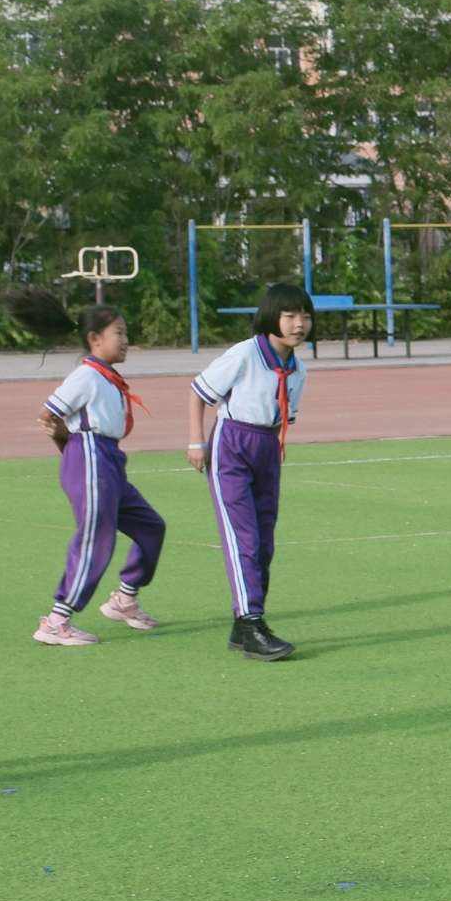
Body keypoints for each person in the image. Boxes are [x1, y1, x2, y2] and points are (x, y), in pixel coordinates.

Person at [191, 281, 311, 661]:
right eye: (290, 315)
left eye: (305, 316)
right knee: (242, 536)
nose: (298, 324)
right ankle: (252, 620)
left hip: (267, 448)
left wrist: (277, 447)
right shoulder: (244, 354)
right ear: (271, 316)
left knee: (264, 540)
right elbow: (199, 393)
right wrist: (197, 442)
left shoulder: (297, 369)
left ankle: (242, 626)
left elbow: (284, 415)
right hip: (232, 445)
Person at [35, 305, 164, 646]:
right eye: (118, 333)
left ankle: (124, 599)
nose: (125, 340)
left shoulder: (106, 376)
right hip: (91, 456)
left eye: (125, 332)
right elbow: (49, 413)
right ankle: (56, 620)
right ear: (95, 339)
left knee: (150, 527)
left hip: (109, 460)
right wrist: (71, 446)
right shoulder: (86, 376)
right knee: (95, 537)